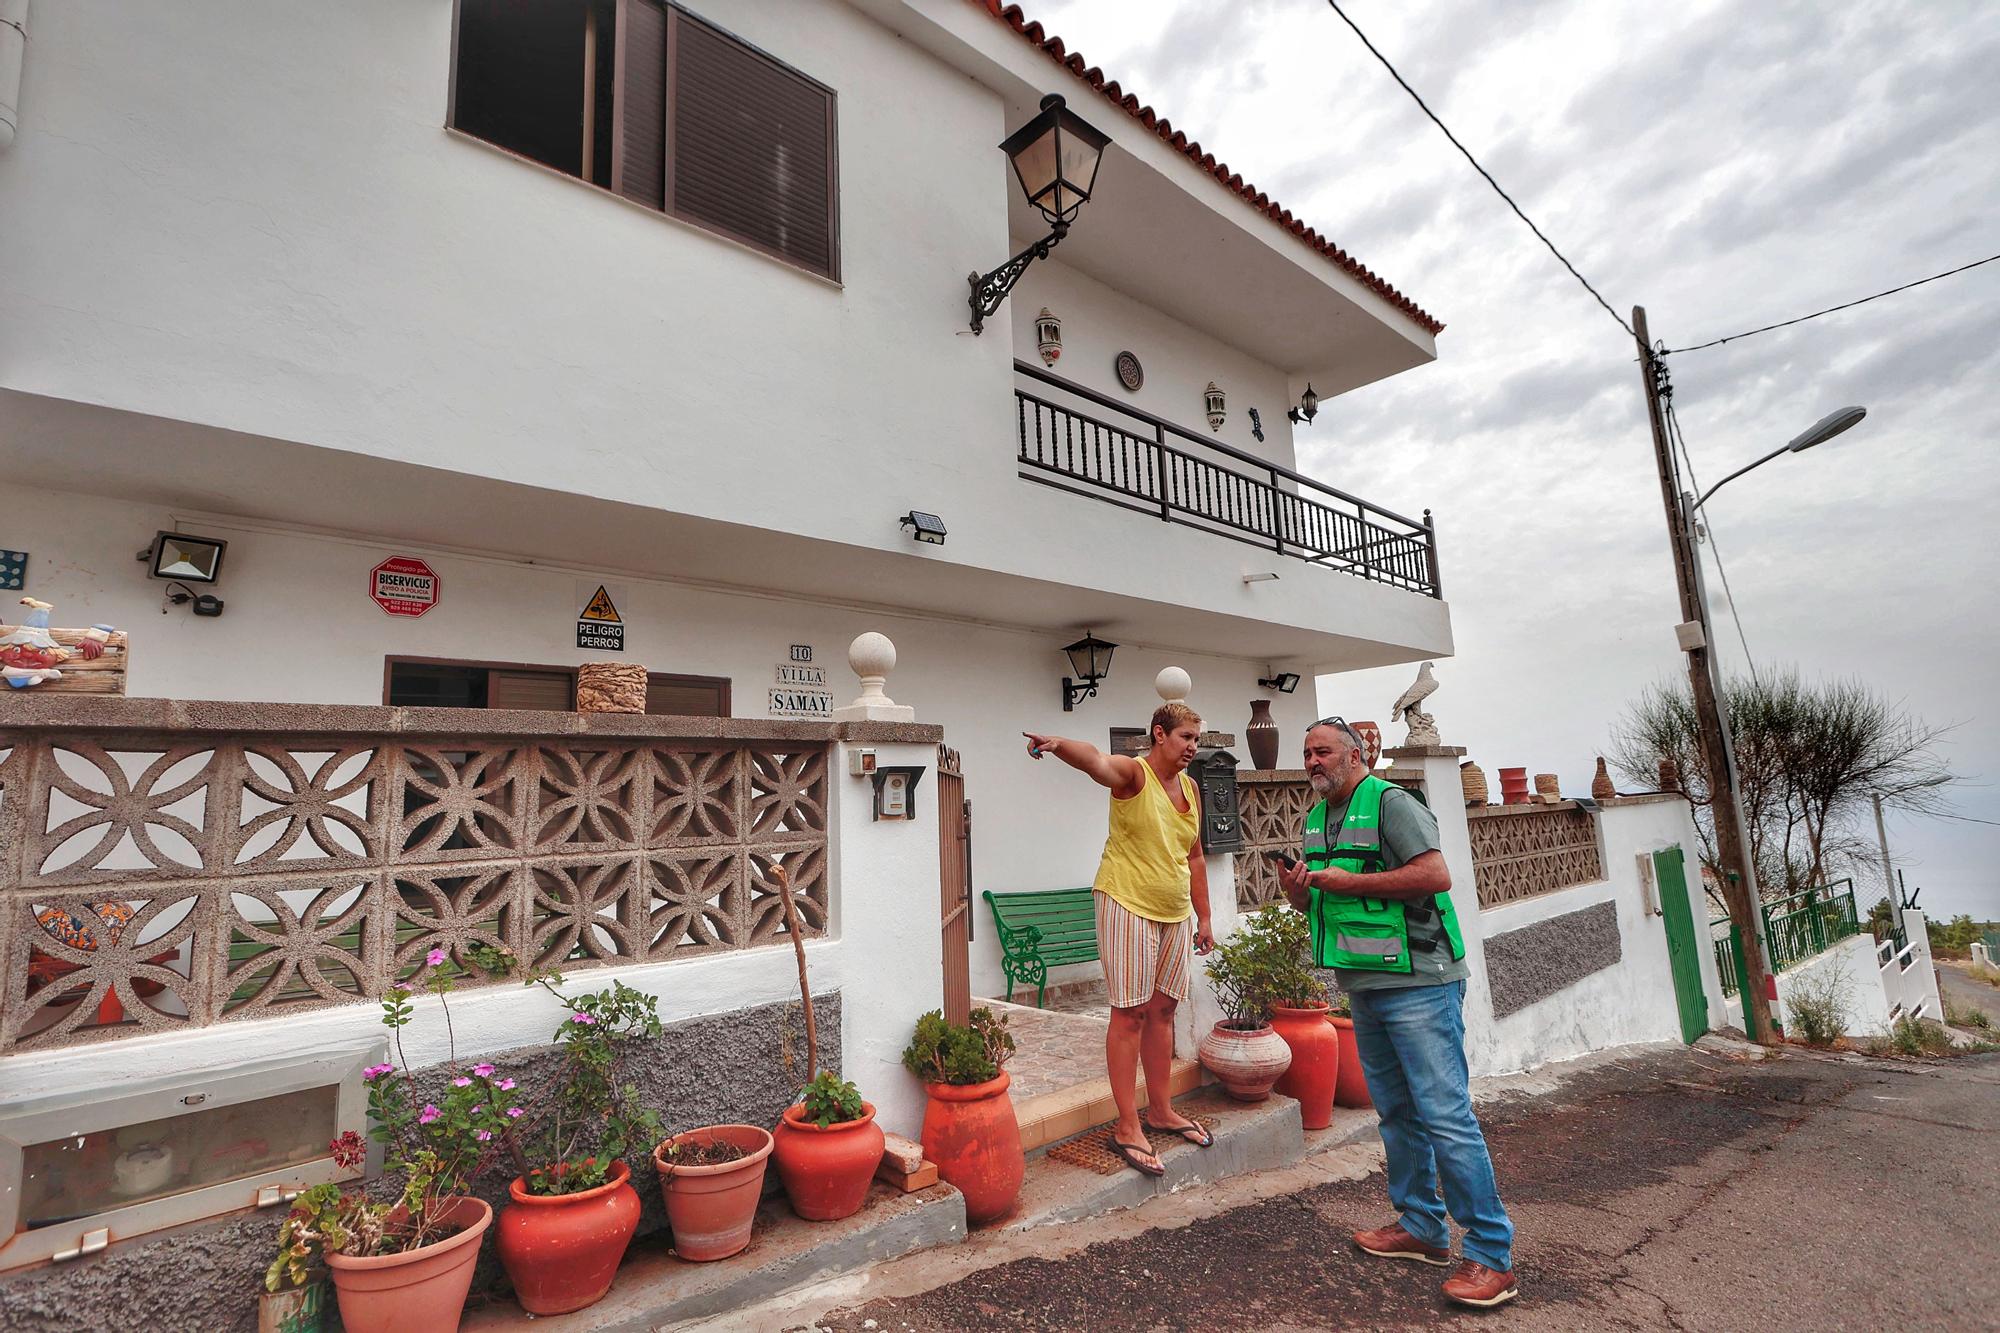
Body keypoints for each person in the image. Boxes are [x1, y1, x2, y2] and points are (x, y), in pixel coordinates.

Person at [1276, 717, 1518, 1309]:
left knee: (1444, 1115)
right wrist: (1297, 889)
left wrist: (1351, 885)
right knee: (1397, 1113)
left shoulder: (1392, 803)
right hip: (1364, 984)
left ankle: (1491, 1257)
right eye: (1307, 752)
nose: (1312, 760)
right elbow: (1316, 898)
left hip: (1420, 981)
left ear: (1355, 755)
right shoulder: (1315, 819)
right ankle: (1422, 1227)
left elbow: (1436, 875)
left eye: (1323, 751)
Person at [1023, 702, 1217, 1176]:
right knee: (1129, 1013)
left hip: (1173, 913)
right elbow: (1097, 761)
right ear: (1159, 734)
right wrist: (1060, 745)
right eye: (1185, 737)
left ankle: (1161, 1110)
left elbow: (1193, 857)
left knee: (1164, 1010)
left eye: (1196, 739)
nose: (1192, 747)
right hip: (1126, 902)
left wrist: (1204, 917)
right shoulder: (1135, 774)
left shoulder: (1191, 788)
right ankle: (1127, 1125)